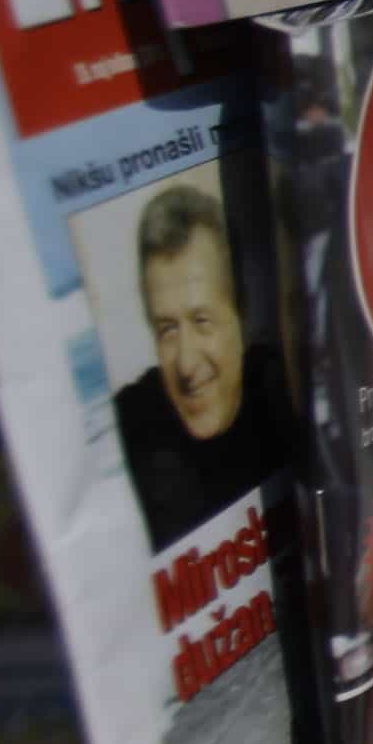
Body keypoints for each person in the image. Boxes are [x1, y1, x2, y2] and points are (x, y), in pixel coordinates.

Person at [111, 180, 288, 548]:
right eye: (168, 329)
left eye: (202, 321)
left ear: (242, 316)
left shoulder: (289, 391)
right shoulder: (128, 427)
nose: (187, 365)